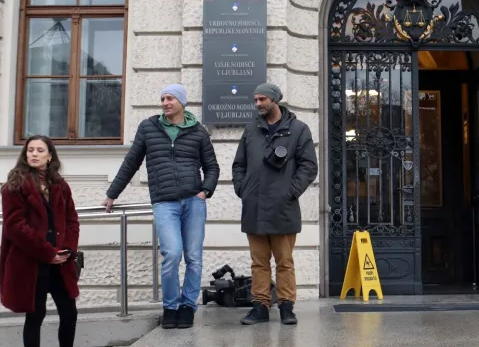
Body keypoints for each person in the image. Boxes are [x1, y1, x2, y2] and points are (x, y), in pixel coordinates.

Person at [103, 84, 219, 329]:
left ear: (181, 102)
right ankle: (170, 306)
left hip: (194, 202)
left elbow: (212, 167)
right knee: (172, 254)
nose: (165, 102)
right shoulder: (149, 127)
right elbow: (131, 162)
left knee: (194, 258)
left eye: (170, 98)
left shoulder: (198, 132)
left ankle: (188, 306)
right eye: (163, 98)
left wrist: (205, 191)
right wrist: (112, 194)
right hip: (164, 202)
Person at [0, 136, 81, 347]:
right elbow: (15, 227)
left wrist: (67, 249)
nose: (34, 154)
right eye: (30, 150)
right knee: (35, 316)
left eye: (40, 150)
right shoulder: (15, 184)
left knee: (69, 311)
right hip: (31, 262)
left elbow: (71, 220)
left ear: (50, 156)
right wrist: (47, 252)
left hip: (60, 262)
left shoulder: (60, 185)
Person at [232, 83, 318, 326]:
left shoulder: (299, 130)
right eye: (255, 100)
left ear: (274, 100)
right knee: (258, 262)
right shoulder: (250, 131)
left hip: (283, 206)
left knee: (284, 261)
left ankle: (286, 307)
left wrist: (290, 192)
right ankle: (259, 306)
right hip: (254, 206)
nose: (257, 104)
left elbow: (309, 166)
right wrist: (243, 189)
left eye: (262, 99)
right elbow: (239, 165)